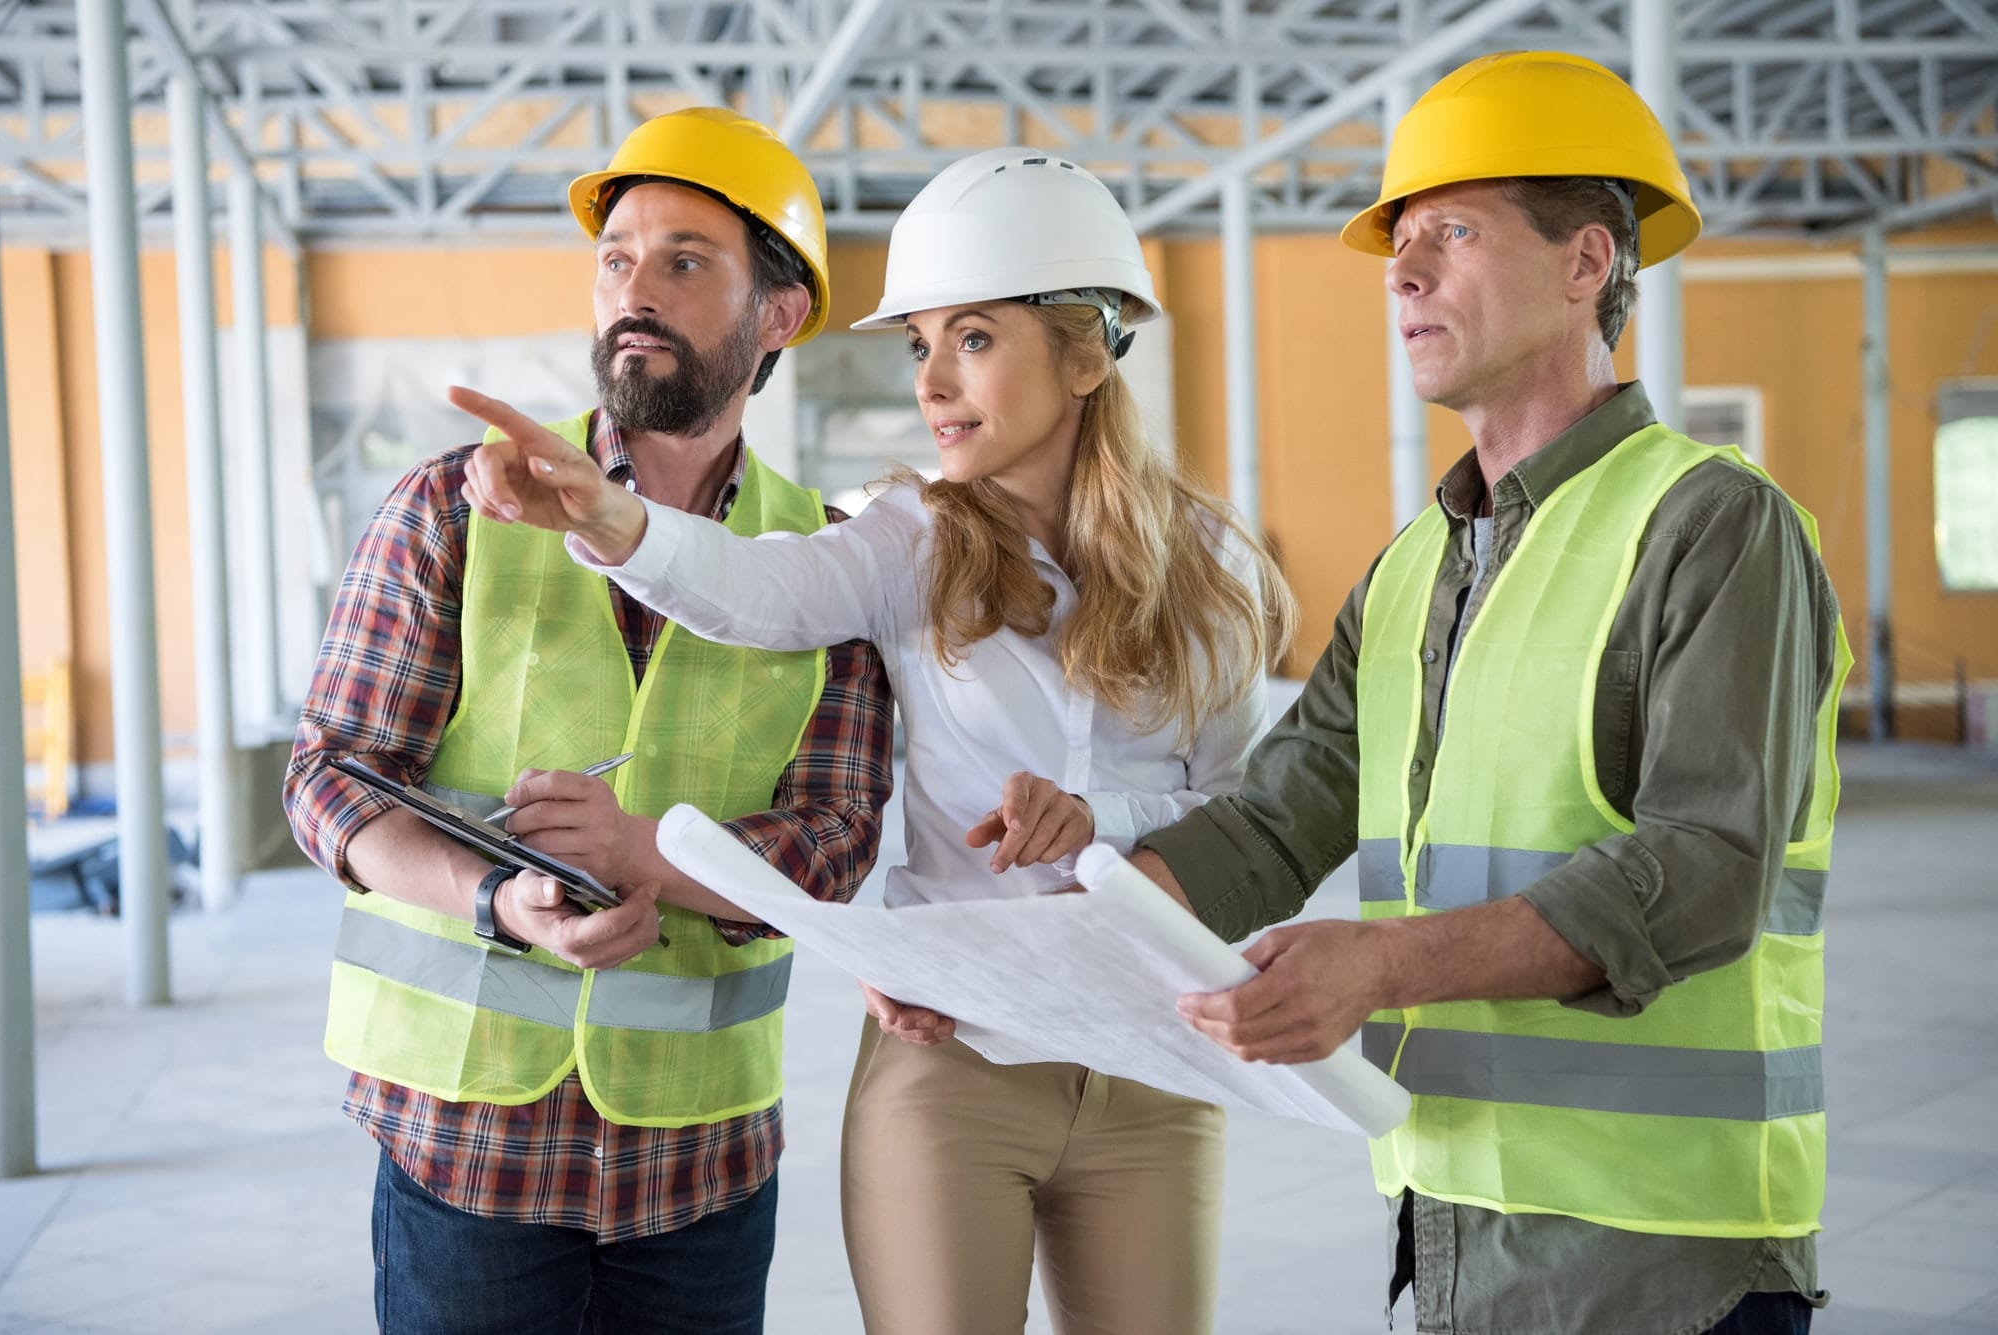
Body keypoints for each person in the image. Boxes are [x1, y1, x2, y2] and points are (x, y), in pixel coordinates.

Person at [453, 147, 1299, 1335]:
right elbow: (756, 589)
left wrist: (1099, 821)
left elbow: (1242, 814)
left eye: (973, 338)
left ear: (1084, 351)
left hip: (1151, 1060)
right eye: (919, 346)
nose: (932, 383)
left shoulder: (1210, 570)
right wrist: (612, 519)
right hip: (952, 1061)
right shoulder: (908, 538)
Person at [1121, 51, 1851, 1335]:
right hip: (1448, 1227)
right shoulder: (1415, 564)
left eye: (1449, 234)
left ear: (1584, 264)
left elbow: (1704, 866)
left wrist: (1377, 966)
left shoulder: (1713, 527)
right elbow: (1278, 818)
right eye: (1398, 243)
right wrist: (1039, 934)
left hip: (1660, 1255)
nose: (1401, 273)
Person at [283, 107, 895, 1334]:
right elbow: (329, 779)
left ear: (777, 316)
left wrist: (646, 859)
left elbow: (833, 837)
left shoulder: (831, 564)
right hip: (467, 1148)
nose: (635, 288)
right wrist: (494, 900)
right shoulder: (450, 508)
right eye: (617, 256)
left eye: (684, 261)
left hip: (700, 1168)